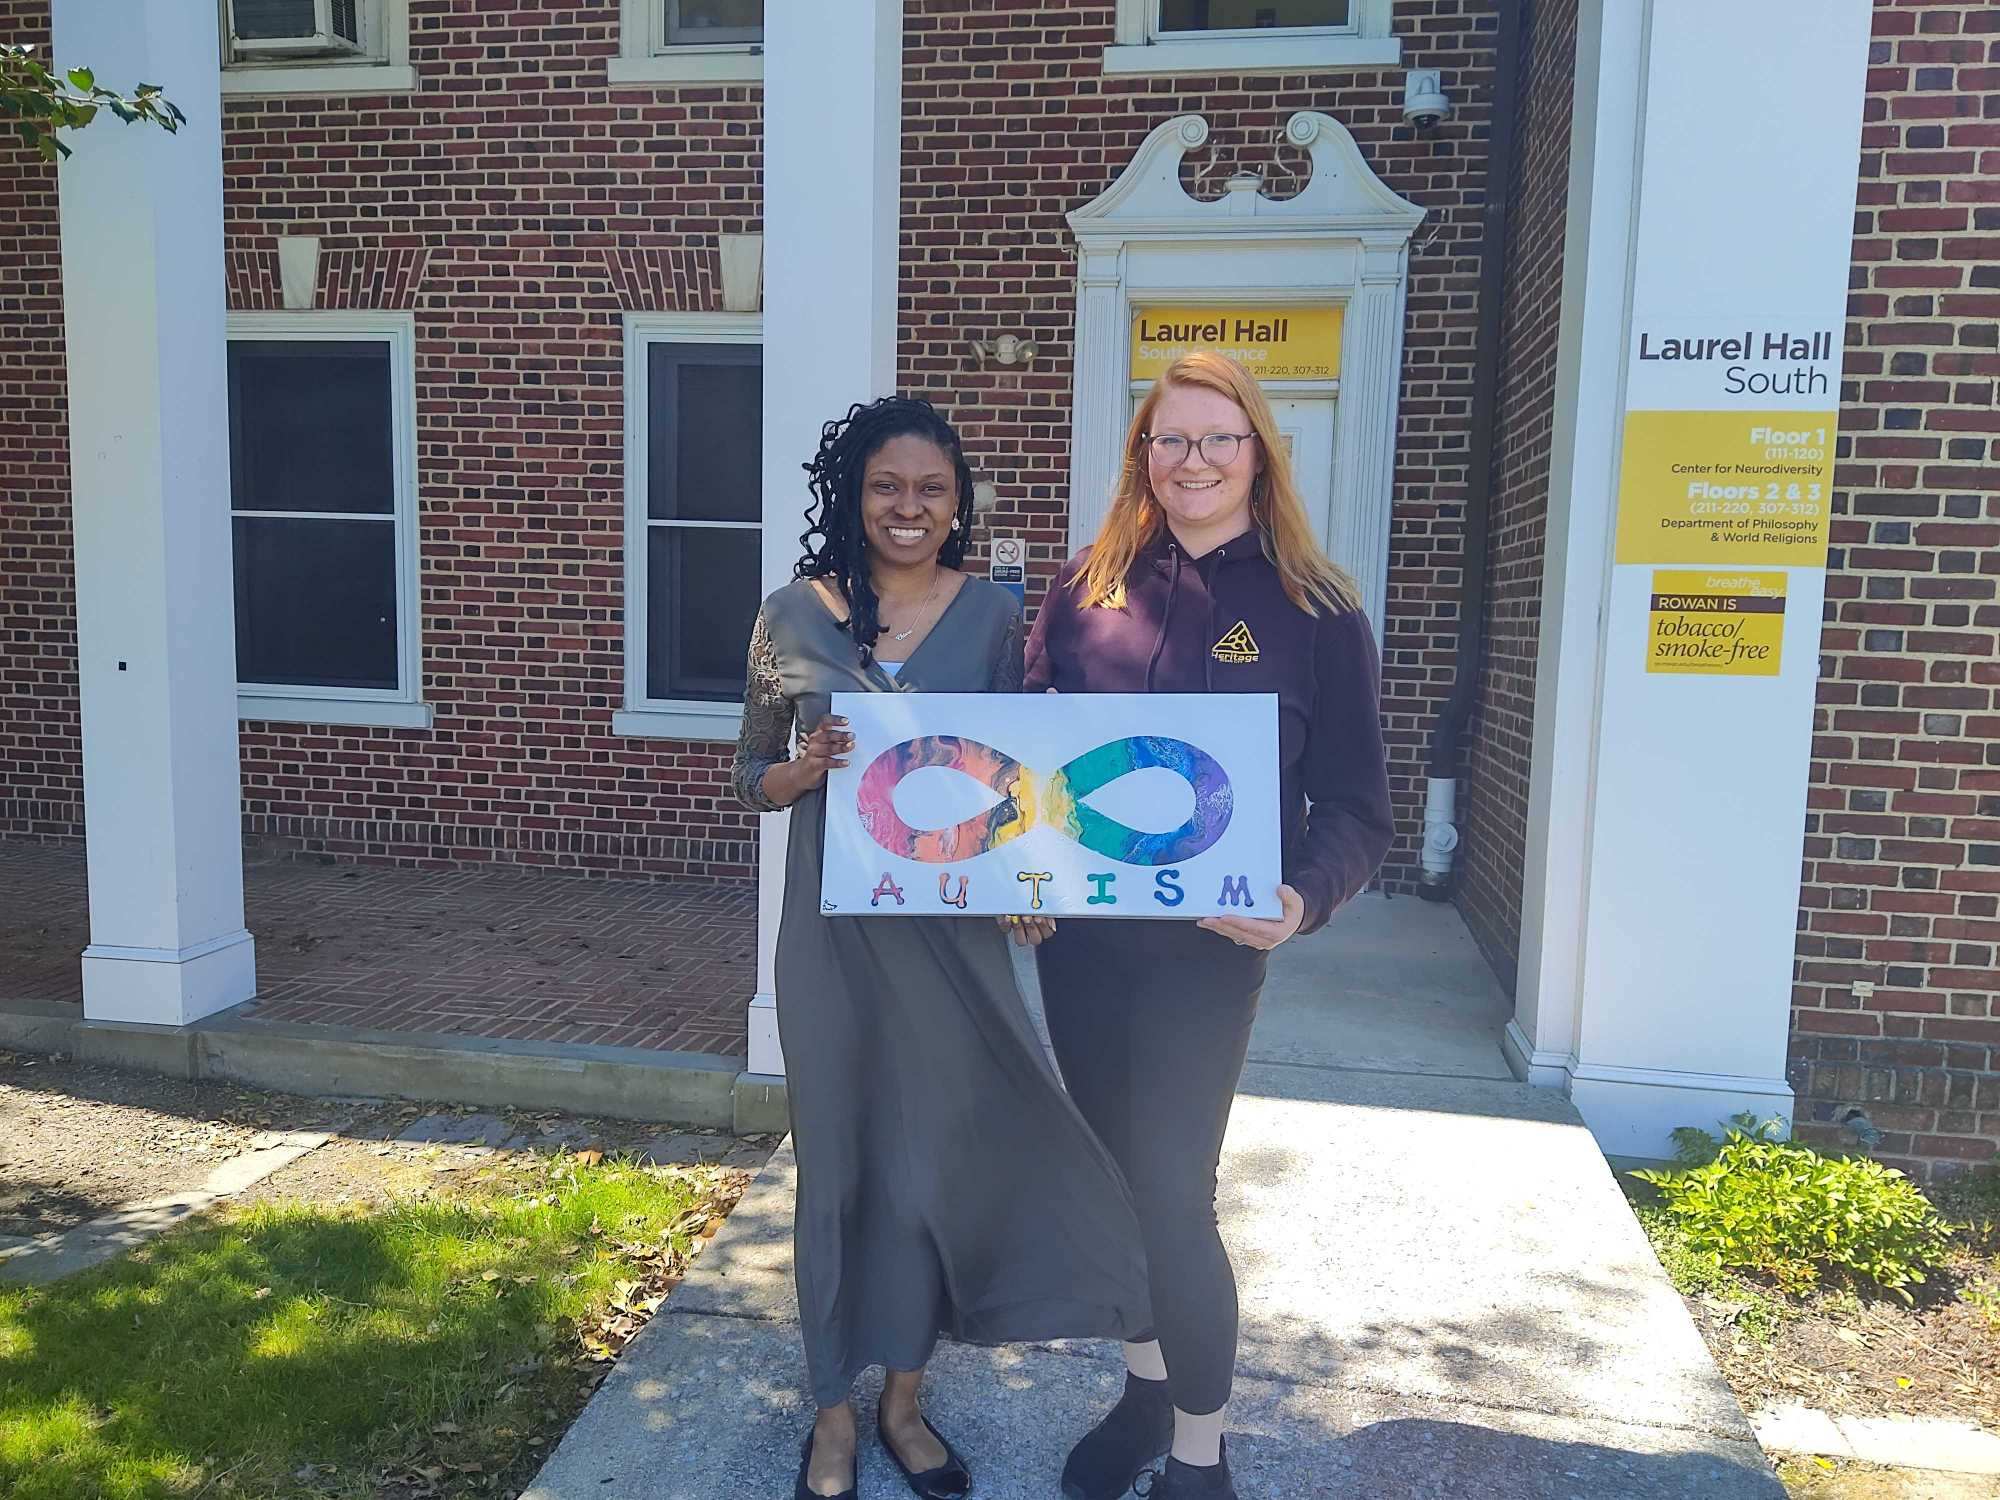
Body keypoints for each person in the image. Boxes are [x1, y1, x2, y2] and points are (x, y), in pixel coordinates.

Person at [732, 396, 1152, 1500]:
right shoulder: (789, 617)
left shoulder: (994, 617)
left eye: (929, 488)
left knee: (927, 1173)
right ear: (851, 495)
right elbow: (752, 782)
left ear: (957, 500)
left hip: (950, 939)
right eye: (885, 487)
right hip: (831, 942)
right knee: (837, 1170)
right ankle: (831, 1416)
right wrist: (808, 765)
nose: (907, 508)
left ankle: (904, 1404)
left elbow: (1014, 776)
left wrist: (1024, 886)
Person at [1024, 352, 1395, 1500]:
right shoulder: (1082, 591)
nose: (1191, 461)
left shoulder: (1315, 612)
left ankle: (1200, 1451)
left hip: (1207, 959)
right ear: (1142, 457)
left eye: (1215, 439)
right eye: (1168, 440)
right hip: (1083, 950)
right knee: (1110, 1178)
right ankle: (1143, 1389)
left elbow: (1356, 808)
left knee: (1175, 1190)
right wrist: (1022, 880)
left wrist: (1299, 898)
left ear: (1256, 454)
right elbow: (1035, 770)